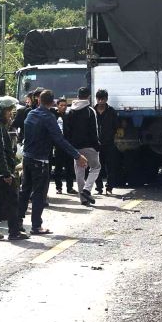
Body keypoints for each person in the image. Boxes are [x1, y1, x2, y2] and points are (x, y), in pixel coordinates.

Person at [20, 90, 87, 234]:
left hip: (27, 158)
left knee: (25, 190)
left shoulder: (31, 114)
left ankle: (17, 223)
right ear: (52, 103)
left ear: (38, 101)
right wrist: (77, 155)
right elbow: (59, 139)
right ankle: (36, 226)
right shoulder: (49, 117)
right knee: (39, 194)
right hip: (40, 160)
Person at [0, 96, 24, 241]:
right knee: (11, 203)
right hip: (1, 173)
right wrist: (7, 173)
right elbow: (0, 153)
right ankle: (14, 232)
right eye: (8, 111)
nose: (10, 114)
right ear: (1, 111)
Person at [63, 87, 101, 206]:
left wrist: (70, 146)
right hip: (89, 145)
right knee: (95, 167)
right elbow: (94, 130)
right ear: (89, 96)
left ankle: (83, 200)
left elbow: (66, 131)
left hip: (75, 147)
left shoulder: (70, 111)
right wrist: (97, 145)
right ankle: (87, 190)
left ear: (77, 96)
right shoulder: (90, 111)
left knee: (80, 171)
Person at [94, 90, 120, 196]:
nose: (100, 101)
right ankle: (98, 187)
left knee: (110, 166)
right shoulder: (92, 111)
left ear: (106, 99)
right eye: (99, 99)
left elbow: (116, 126)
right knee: (96, 166)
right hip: (96, 143)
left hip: (109, 143)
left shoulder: (112, 111)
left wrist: (111, 135)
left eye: (102, 99)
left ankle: (109, 187)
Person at [52, 98, 76, 194]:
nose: (63, 107)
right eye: (61, 105)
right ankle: (59, 187)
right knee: (58, 167)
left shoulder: (68, 116)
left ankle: (69, 187)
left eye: (65, 105)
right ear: (57, 106)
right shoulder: (53, 116)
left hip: (68, 144)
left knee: (69, 167)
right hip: (58, 145)